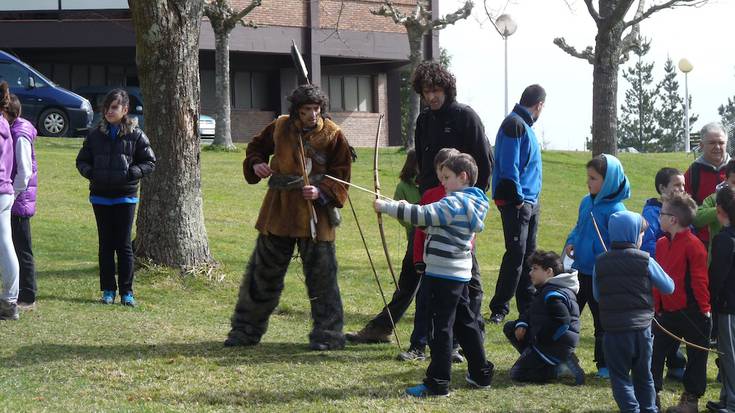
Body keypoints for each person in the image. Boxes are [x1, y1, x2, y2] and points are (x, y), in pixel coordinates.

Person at [346, 61, 492, 344]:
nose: (432, 96)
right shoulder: (424, 120)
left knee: (468, 276)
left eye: (437, 90)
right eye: (427, 91)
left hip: (459, 209)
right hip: (429, 206)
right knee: (414, 267)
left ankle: (471, 337)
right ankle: (383, 327)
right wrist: (423, 199)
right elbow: (423, 167)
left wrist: (471, 203)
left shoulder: (466, 117)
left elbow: (484, 165)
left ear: (447, 89)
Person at [224, 84, 352, 351]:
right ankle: (245, 332)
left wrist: (321, 191)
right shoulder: (280, 126)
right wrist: (256, 163)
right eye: (306, 110)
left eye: (317, 109)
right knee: (262, 276)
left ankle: (328, 335)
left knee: (323, 278)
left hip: (315, 215)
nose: (313, 115)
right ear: (296, 110)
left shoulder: (333, 134)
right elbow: (256, 148)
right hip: (279, 211)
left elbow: (341, 175)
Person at [374, 153, 494, 397]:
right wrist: (414, 215)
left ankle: (438, 382)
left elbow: (423, 215)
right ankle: (481, 373)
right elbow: (433, 223)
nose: (443, 183)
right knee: (465, 323)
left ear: (463, 177)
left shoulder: (453, 203)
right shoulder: (472, 203)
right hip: (458, 275)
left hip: (442, 275)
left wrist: (387, 207)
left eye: (447, 178)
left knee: (439, 329)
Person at [76, 88, 156, 307]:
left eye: (114, 107)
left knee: (123, 245)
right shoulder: (94, 134)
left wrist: (132, 173)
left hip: (125, 197)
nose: (109, 112)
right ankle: (108, 290)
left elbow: (150, 162)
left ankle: (127, 292)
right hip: (100, 197)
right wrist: (91, 173)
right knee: (105, 245)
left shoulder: (136, 134)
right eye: (106, 107)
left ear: (125, 109)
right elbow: (81, 161)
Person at [594, 211, 675, 413]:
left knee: (620, 378)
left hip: (614, 331)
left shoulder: (601, 262)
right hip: (641, 331)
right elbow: (669, 287)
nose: (641, 238)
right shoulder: (645, 260)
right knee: (644, 375)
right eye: (640, 234)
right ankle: (649, 409)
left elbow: (597, 295)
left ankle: (631, 410)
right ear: (632, 234)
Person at [564, 154, 630, 379]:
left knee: (602, 321)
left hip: (600, 275)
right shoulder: (586, 201)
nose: (588, 182)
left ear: (609, 180)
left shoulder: (617, 210)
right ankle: (563, 356)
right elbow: (578, 227)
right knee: (569, 314)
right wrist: (571, 241)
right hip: (579, 270)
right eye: (588, 177)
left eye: (593, 178)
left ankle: (605, 363)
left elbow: (619, 244)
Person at [397, 148, 465, 362]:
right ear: (437, 171)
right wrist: (418, 259)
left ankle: (453, 347)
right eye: (441, 171)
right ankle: (418, 346)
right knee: (424, 304)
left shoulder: (465, 198)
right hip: (431, 264)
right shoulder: (430, 196)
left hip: (455, 268)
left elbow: (469, 237)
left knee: (455, 308)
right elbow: (420, 230)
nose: (444, 177)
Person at [489, 84, 545, 325]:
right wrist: (518, 198)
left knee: (528, 256)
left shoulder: (524, 126)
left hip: (530, 202)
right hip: (517, 202)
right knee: (516, 254)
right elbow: (509, 165)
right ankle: (499, 307)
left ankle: (528, 305)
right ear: (539, 105)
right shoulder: (515, 124)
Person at [651, 193, 711, 413]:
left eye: (662, 213)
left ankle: (691, 400)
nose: (659, 217)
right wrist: (657, 307)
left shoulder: (694, 246)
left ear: (673, 219)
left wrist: (704, 310)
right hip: (666, 312)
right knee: (655, 353)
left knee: (697, 356)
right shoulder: (660, 244)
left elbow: (699, 280)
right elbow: (658, 279)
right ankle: (651, 395)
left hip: (693, 312)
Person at [503, 250, 585, 385]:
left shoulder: (553, 294)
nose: (530, 273)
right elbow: (531, 311)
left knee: (517, 373)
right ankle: (537, 358)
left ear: (549, 272)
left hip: (554, 345)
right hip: (545, 341)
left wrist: (539, 339)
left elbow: (563, 323)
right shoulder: (546, 289)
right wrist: (522, 324)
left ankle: (560, 369)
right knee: (511, 328)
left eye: (535, 269)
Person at [641, 167, 688, 381]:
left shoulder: (684, 210)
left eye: (683, 185)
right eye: (676, 185)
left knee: (678, 319)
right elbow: (648, 245)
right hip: (660, 276)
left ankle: (675, 362)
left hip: (679, 276)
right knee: (660, 320)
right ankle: (658, 362)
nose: (682, 189)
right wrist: (667, 260)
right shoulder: (652, 213)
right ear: (662, 188)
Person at [5, 94, 38, 310]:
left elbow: (24, 171)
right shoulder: (12, 131)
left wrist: (13, 195)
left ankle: (27, 295)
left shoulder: (20, 135)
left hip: (19, 200)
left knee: (22, 248)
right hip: (15, 197)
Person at [706, 185, 735, 413]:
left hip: (728, 305)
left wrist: (712, 300)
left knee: (729, 355)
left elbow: (717, 276)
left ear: (719, 209)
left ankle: (733, 402)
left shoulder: (724, 239)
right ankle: (726, 397)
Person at [685, 122, 730, 246]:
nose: (717, 147)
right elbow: (685, 208)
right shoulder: (693, 172)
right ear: (701, 145)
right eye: (712, 143)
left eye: (721, 143)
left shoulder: (733, 168)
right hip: (702, 242)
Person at [0, 81, 20, 321]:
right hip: (5, 190)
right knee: (6, 244)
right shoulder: (6, 125)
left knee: (5, 245)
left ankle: (8, 300)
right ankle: (9, 299)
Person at [693, 159, 735, 257]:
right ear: (726, 180)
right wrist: (719, 210)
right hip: (718, 258)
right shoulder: (714, 198)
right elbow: (696, 219)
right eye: (734, 182)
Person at [393, 148, 420, 240]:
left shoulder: (428, 182)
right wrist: (415, 225)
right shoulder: (402, 187)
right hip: (413, 235)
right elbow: (398, 211)